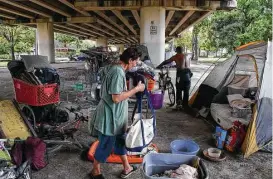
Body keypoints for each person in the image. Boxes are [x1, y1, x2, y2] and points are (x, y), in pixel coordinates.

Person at [89, 48, 145, 179]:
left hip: (118, 117)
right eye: (135, 62)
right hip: (110, 116)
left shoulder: (115, 68)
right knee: (105, 144)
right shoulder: (118, 72)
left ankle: (127, 167)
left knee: (120, 141)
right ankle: (95, 171)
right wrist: (136, 89)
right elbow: (116, 98)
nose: (136, 65)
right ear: (130, 60)